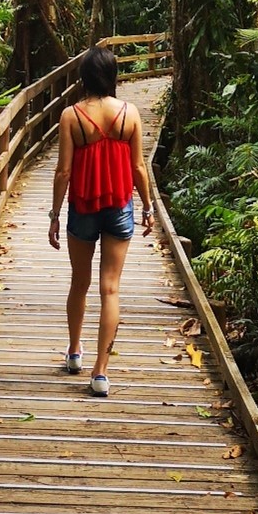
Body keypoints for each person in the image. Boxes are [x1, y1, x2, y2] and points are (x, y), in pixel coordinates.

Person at [47, 44, 155, 397]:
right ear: (112, 75)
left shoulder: (71, 116)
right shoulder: (130, 113)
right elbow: (139, 167)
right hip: (119, 206)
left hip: (82, 207)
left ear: (83, 77)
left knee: (79, 283)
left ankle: (74, 351)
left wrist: (54, 214)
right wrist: (148, 207)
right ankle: (100, 372)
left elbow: (63, 171)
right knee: (110, 288)